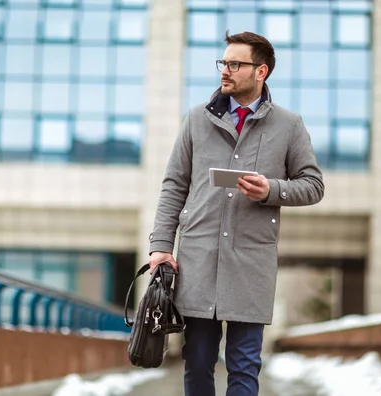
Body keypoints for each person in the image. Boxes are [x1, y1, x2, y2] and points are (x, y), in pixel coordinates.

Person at [147, 31, 325, 396]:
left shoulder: (289, 125)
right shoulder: (197, 119)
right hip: (197, 260)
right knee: (197, 362)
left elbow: (313, 185)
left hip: (251, 263)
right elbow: (174, 186)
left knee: (244, 367)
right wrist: (161, 245)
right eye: (223, 63)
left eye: (234, 64)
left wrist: (272, 190)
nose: (224, 71)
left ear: (261, 72)